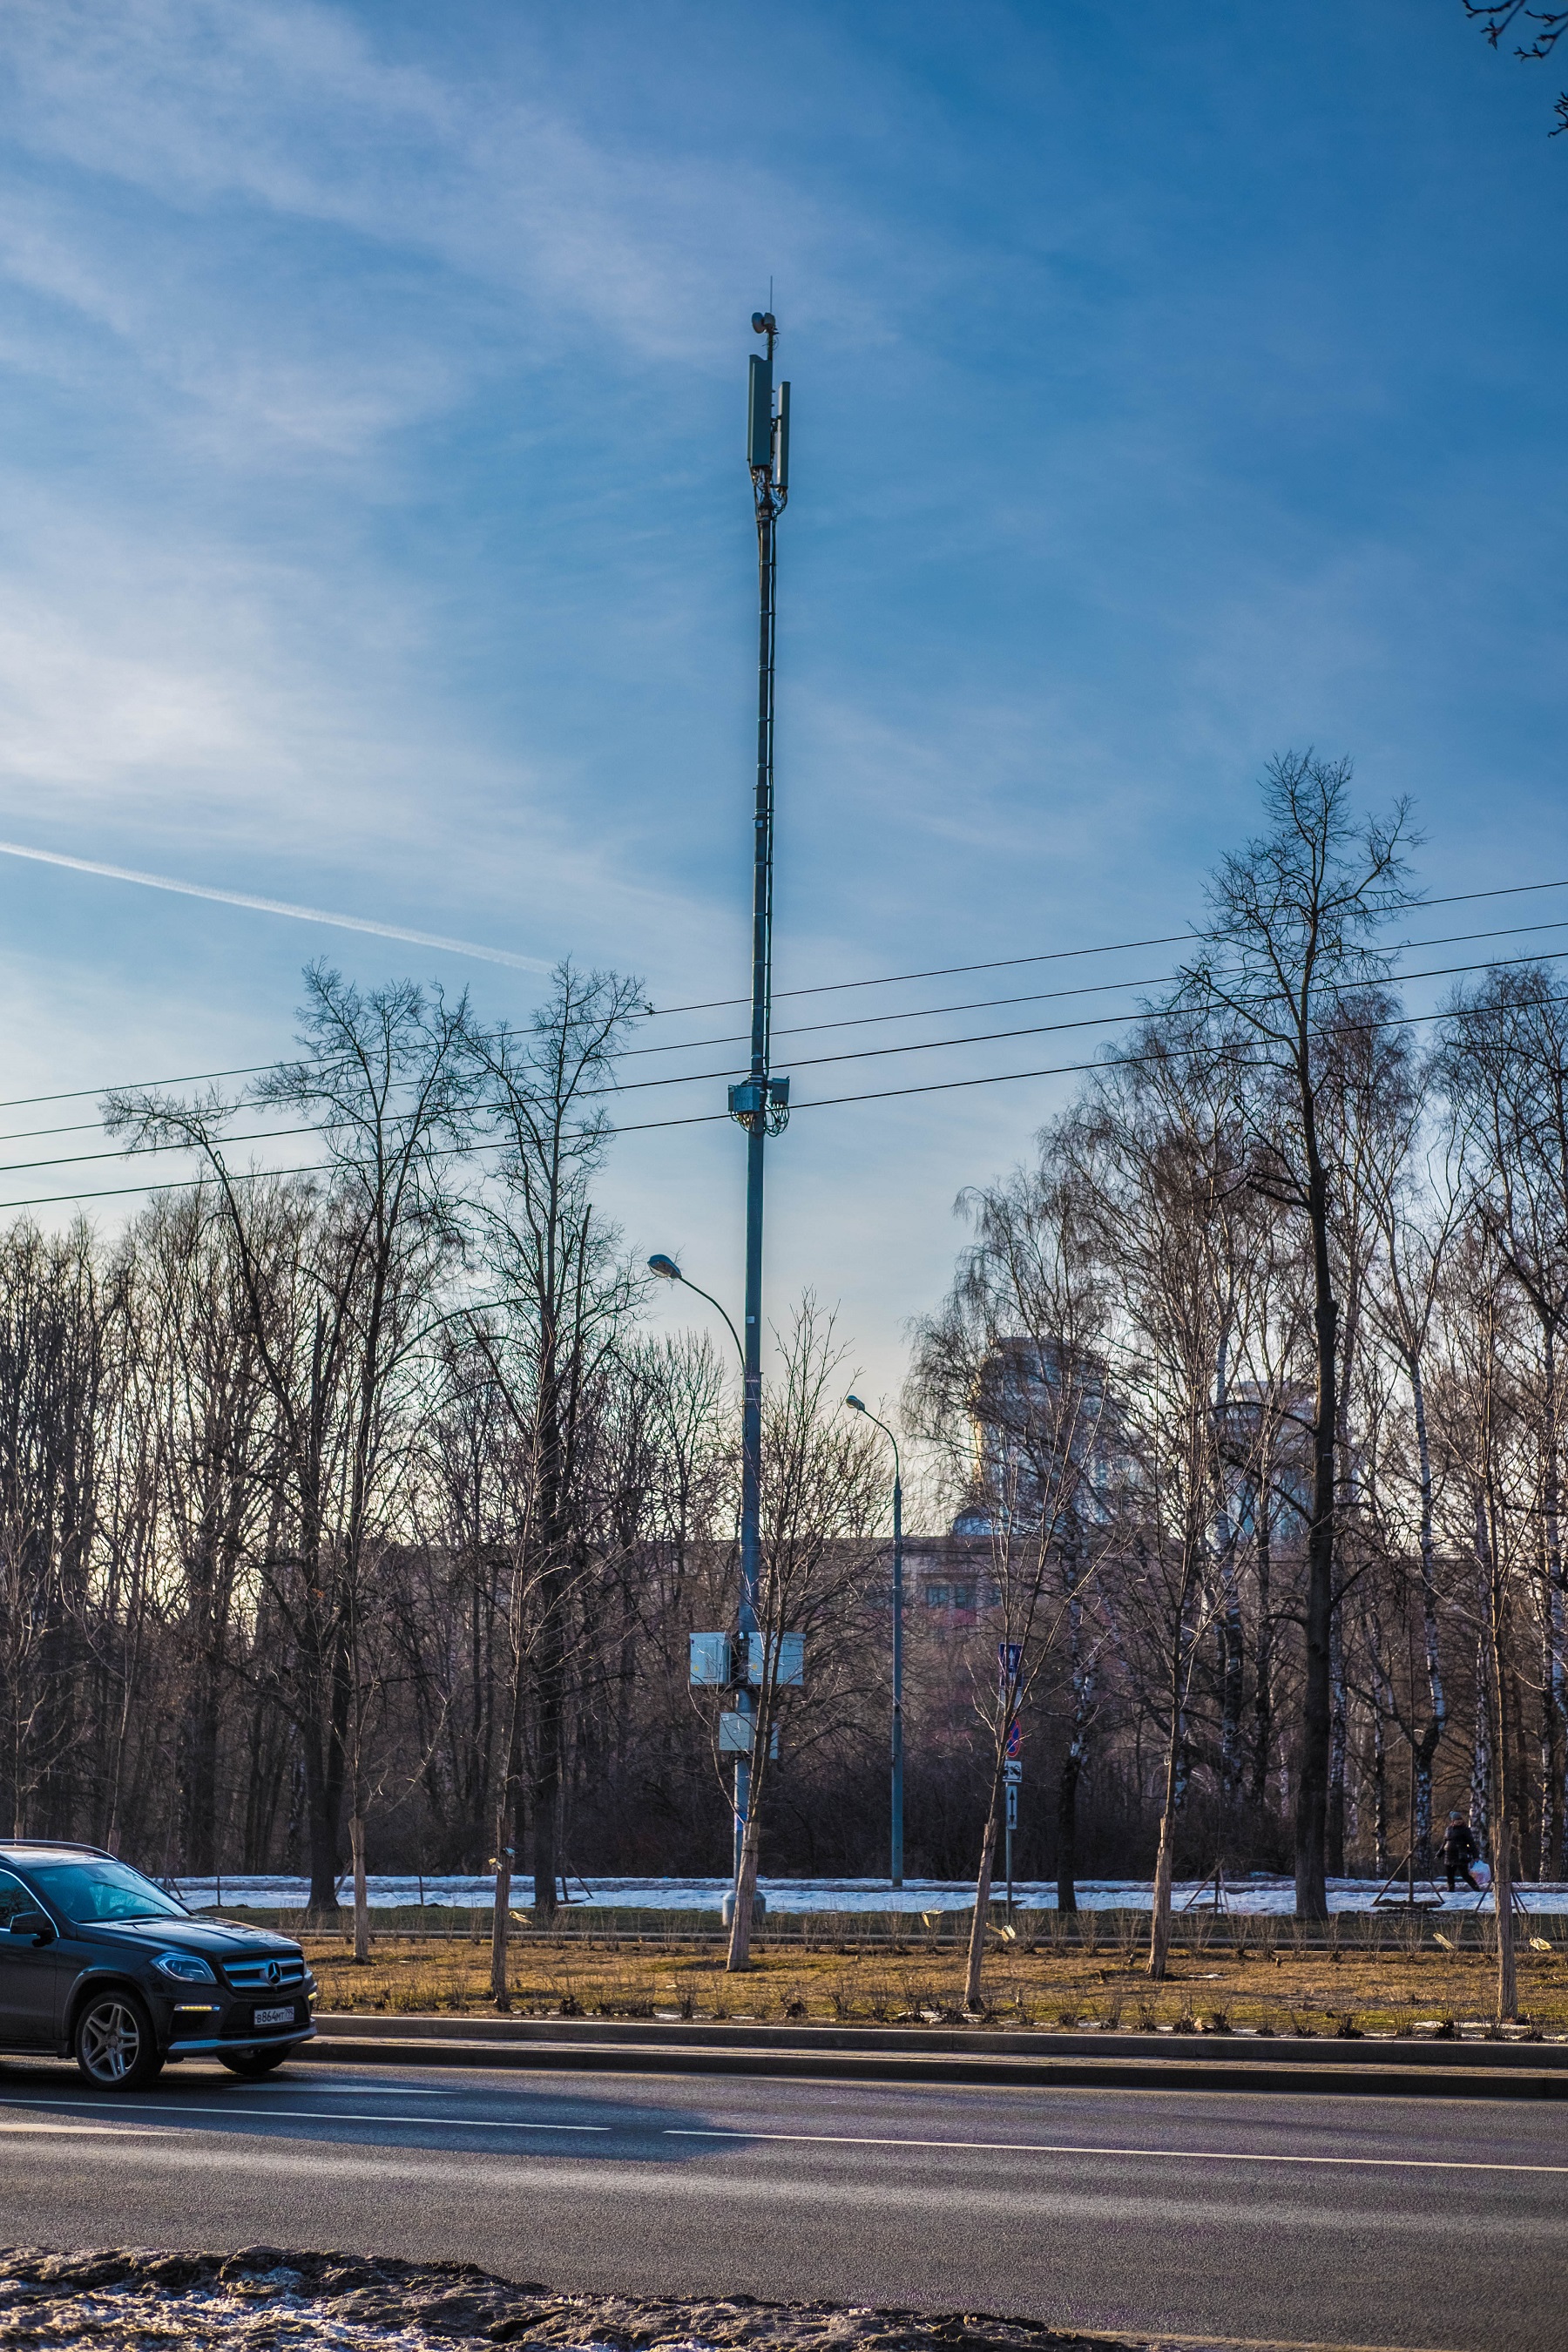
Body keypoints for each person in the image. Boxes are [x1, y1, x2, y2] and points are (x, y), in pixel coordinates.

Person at [1442, 1811, 1482, 1894]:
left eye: (1460, 1819)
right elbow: (1445, 1842)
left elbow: (1471, 1843)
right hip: (1449, 1856)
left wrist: (1475, 1855)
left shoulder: (1465, 1830)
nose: (1459, 1821)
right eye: (1457, 1820)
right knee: (1450, 1875)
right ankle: (1450, 1891)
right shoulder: (1448, 1829)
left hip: (1461, 1856)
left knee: (1465, 1875)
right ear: (1453, 1821)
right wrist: (1440, 1853)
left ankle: (1477, 1890)